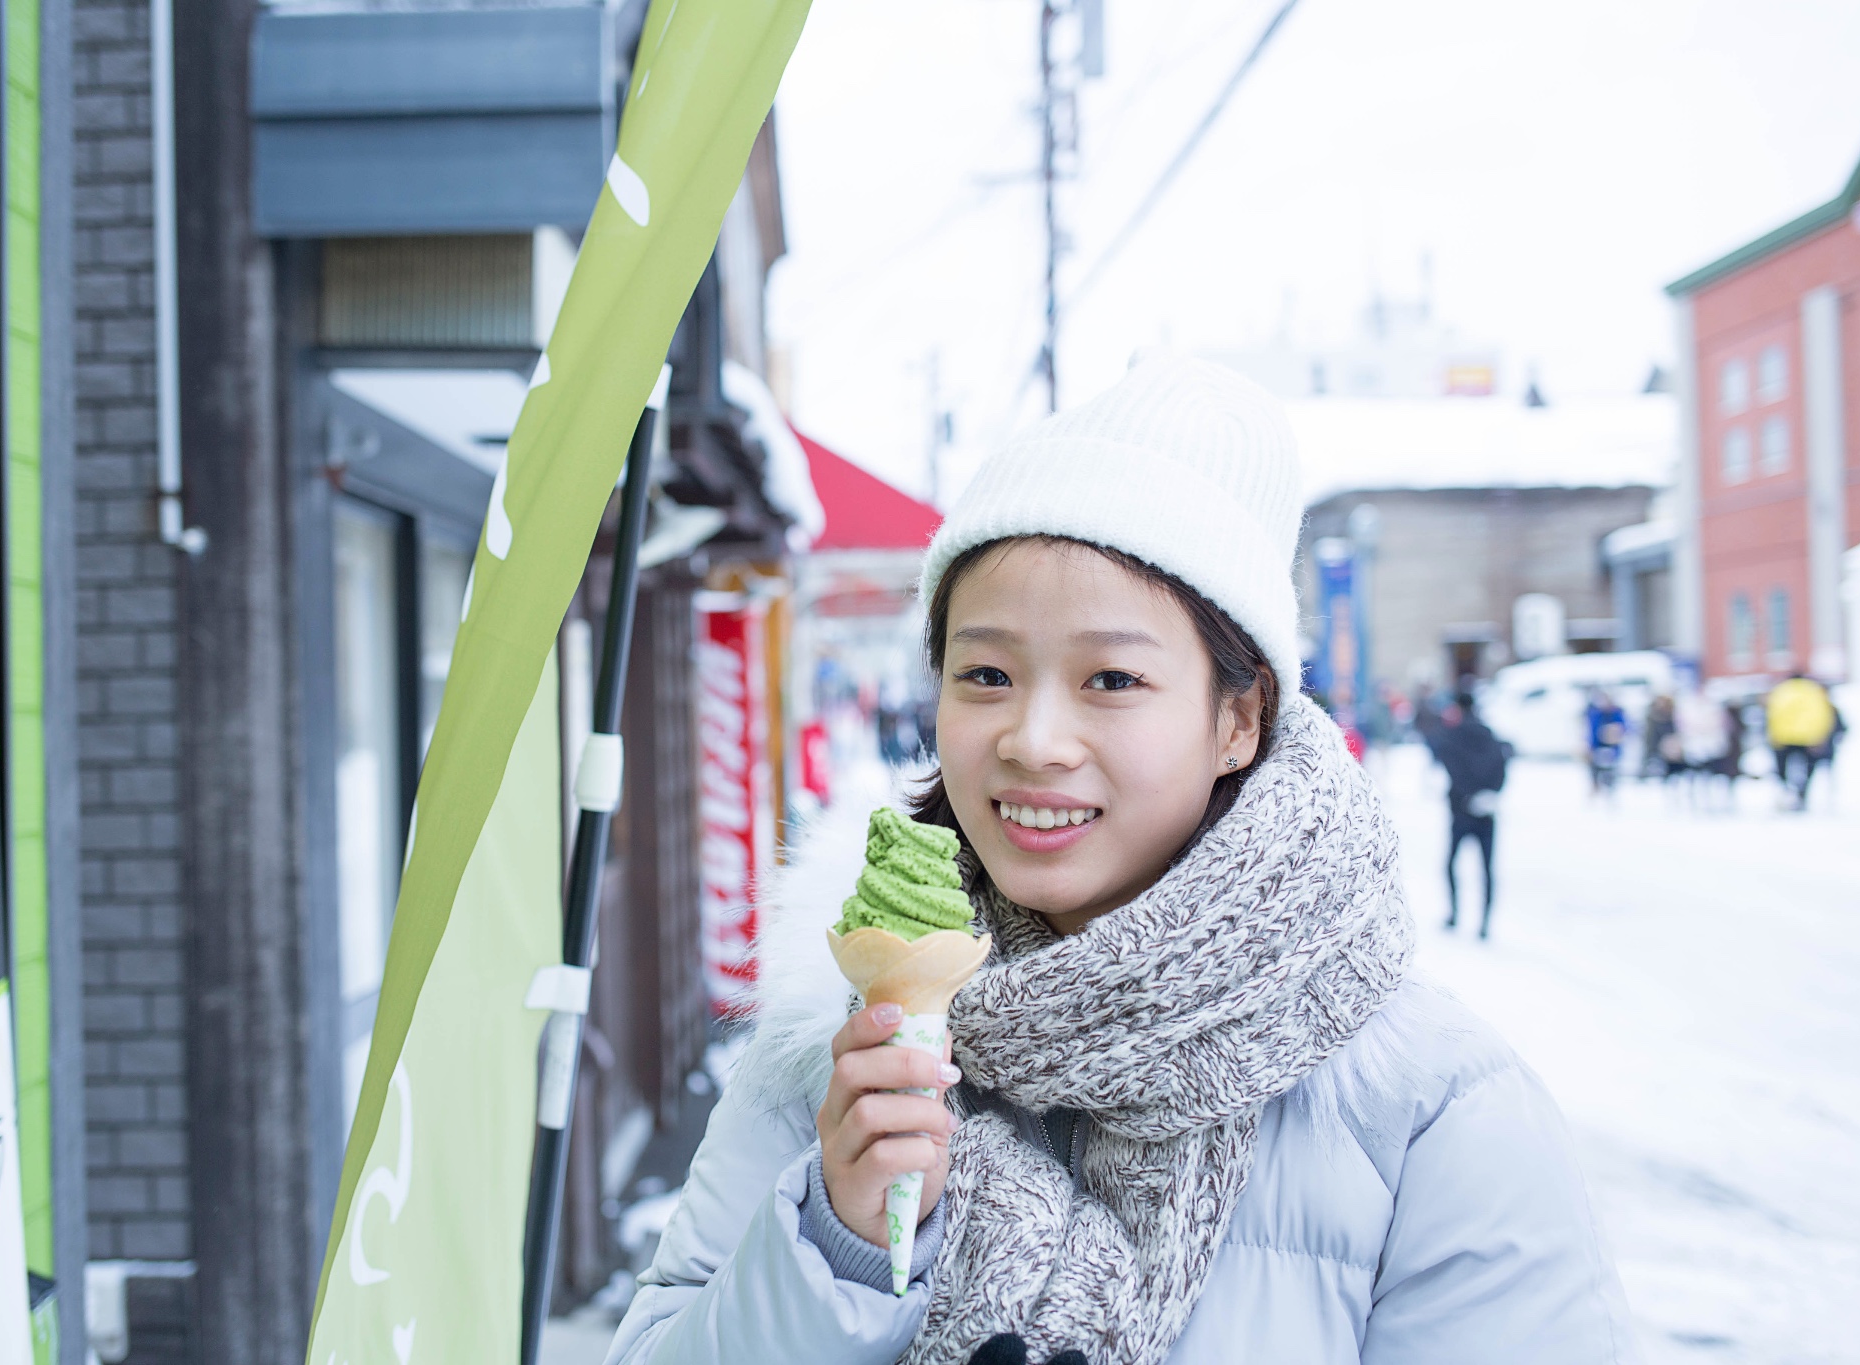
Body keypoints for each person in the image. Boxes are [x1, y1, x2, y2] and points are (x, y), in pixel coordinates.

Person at [607, 359, 1631, 1365]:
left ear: (1238, 719)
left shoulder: (1431, 1110)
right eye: (986, 673)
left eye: (1109, 677)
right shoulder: (833, 1047)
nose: (1032, 738)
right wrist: (832, 1246)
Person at [1428, 691, 1508, 938]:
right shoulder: (1490, 734)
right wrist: (1490, 793)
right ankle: (1484, 923)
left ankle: (1454, 914)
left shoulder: (1454, 735)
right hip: (1487, 810)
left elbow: (1451, 765)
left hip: (1461, 809)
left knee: (1451, 863)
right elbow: (1502, 765)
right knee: (1486, 868)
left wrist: (1467, 795)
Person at [1765, 670, 1840, 811]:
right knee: (1807, 768)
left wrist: (1773, 736)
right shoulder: (1814, 691)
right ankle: (1802, 792)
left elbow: (1773, 715)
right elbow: (1823, 716)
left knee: (1783, 767)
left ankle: (1786, 792)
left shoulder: (1781, 691)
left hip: (1784, 737)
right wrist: (1820, 737)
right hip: (1808, 738)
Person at [1583, 688, 1626, 796]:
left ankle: (1610, 791)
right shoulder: (1595, 715)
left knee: (1611, 772)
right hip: (1597, 747)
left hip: (1613, 748)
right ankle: (1595, 788)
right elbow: (1591, 733)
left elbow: (1624, 729)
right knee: (1595, 770)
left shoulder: (1618, 714)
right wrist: (1590, 747)